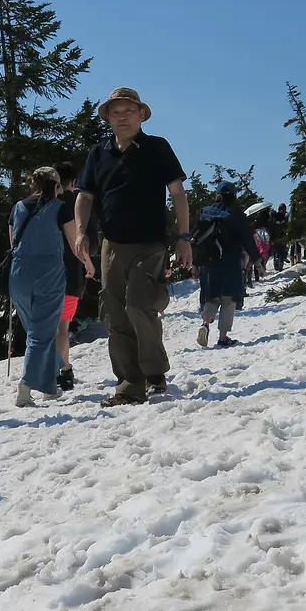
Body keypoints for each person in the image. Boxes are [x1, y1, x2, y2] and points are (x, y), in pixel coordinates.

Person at [73, 88, 191, 407]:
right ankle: (129, 383)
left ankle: (154, 370)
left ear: (141, 115)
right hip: (112, 245)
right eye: (116, 111)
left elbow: (178, 193)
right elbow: (84, 196)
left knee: (139, 304)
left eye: (129, 110)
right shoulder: (99, 154)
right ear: (108, 117)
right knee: (116, 315)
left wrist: (184, 237)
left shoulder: (157, 148)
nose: (122, 116)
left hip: (150, 243)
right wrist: (81, 232)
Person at [8, 167, 79, 406]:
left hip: (18, 277)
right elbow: (75, 243)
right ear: (57, 186)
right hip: (48, 274)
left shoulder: (17, 207)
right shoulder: (61, 207)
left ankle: (49, 387)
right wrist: (89, 266)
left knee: (38, 333)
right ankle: (25, 387)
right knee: (41, 334)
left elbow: (13, 244)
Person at [195, 181, 260, 348]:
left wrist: (195, 264)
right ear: (234, 195)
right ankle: (223, 338)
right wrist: (257, 260)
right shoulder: (236, 214)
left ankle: (205, 325)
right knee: (228, 300)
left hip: (209, 264)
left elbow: (198, 238)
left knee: (212, 298)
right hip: (230, 263)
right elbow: (247, 239)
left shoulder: (206, 212)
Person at [55, 161, 96, 391]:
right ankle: (64, 370)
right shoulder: (76, 204)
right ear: (73, 182)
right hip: (70, 274)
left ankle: (45, 370)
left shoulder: (42, 204)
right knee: (62, 326)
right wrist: (89, 263)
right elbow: (86, 243)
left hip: (42, 275)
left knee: (46, 327)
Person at [269, 204, 290, 271]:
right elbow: (286, 226)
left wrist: (271, 236)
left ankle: (276, 264)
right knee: (282, 250)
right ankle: (280, 264)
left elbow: (271, 227)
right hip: (282, 235)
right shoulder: (284, 216)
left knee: (276, 250)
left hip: (274, 236)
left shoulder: (274, 216)